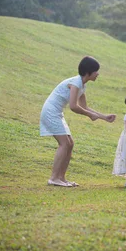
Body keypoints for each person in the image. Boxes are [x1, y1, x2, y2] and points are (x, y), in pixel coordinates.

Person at [41, 56, 117, 187]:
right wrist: (89, 115)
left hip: (57, 113)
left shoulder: (82, 85)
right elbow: (73, 106)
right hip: (50, 112)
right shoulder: (76, 83)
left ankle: (61, 178)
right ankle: (53, 178)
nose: (98, 74)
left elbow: (85, 107)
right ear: (88, 72)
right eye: (96, 71)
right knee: (64, 144)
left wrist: (104, 117)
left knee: (70, 144)